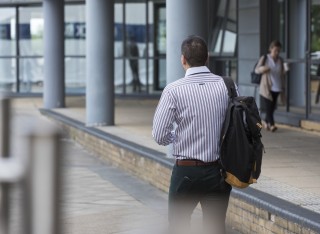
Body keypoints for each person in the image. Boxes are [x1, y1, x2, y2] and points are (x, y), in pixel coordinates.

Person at [152, 35, 232, 234]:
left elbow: (159, 135)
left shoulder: (173, 90)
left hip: (186, 172)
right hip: (219, 171)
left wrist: (177, 137)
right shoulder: (227, 86)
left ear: (183, 60)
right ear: (207, 58)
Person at [256, 40, 287, 132]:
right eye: (275, 50)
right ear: (271, 49)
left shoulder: (280, 60)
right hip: (267, 87)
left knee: (272, 107)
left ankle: (265, 122)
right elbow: (257, 70)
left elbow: (281, 73)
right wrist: (264, 68)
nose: (277, 52)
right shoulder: (265, 58)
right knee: (269, 106)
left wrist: (285, 70)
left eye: (278, 51)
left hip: (277, 87)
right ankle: (272, 125)